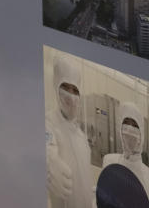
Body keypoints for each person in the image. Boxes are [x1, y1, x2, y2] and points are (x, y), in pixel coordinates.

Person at [46, 56, 93, 208]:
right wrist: (49, 164)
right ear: (56, 87)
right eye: (65, 87)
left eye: (74, 90)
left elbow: (86, 179)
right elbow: (47, 148)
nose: (70, 95)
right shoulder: (48, 122)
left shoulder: (82, 137)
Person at [99, 102, 149, 207]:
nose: (129, 129)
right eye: (126, 123)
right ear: (120, 129)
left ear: (142, 134)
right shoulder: (109, 162)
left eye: (134, 125)